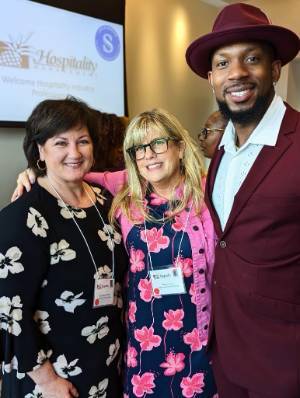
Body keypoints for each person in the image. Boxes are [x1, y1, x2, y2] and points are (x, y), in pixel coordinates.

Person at [13, 108, 218, 397]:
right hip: (143, 342)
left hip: (199, 338)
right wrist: (34, 172)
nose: (149, 155)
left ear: (180, 147)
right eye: (139, 148)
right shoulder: (125, 190)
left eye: (158, 143)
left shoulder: (210, 193)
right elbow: (77, 173)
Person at [186, 3, 300, 398]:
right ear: (211, 79)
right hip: (228, 355)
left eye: (252, 58)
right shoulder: (222, 149)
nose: (236, 73)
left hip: (286, 361)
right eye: (223, 63)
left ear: (275, 69)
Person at [0, 97, 126, 397]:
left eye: (83, 141)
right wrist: (46, 380)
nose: (74, 152)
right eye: (61, 143)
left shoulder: (105, 201)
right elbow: (9, 309)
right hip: (52, 378)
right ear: (39, 150)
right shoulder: (23, 215)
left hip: (106, 364)